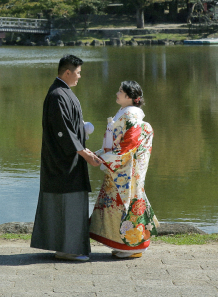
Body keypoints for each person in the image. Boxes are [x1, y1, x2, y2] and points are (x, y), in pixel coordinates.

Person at [31, 54, 102, 262]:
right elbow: (62, 131)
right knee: (68, 204)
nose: (80, 77)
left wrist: (83, 132)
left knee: (70, 203)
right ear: (68, 72)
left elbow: (70, 127)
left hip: (69, 158)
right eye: (78, 73)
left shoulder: (64, 92)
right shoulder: (57, 95)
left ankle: (64, 247)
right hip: (62, 162)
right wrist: (84, 152)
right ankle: (69, 249)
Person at [89, 80, 158, 259]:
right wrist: (100, 154)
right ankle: (125, 245)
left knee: (128, 202)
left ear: (130, 97)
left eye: (121, 91)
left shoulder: (131, 115)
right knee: (121, 204)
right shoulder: (125, 113)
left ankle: (133, 247)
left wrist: (105, 158)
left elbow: (129, 143)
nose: (117, 93)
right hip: (120, 164)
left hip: (126, 167)